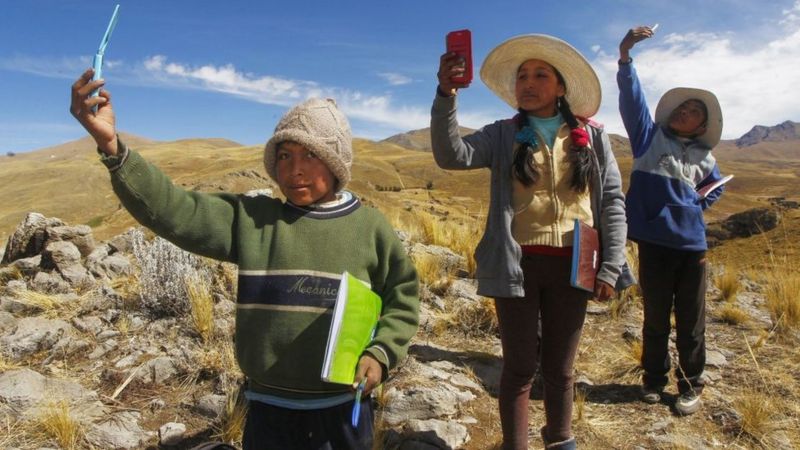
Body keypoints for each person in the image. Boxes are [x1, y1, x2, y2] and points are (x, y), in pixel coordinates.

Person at [70, 68, 420, 449]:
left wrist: (381, 353)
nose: (295, 169)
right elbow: (175, 210)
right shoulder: (253, 220)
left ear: (336, 162)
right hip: (268, 410)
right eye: (284, 155)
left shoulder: (369, 227)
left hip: (342, 410)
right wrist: (112, 148)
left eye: (310, 154)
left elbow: (402, 296)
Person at [433, 34, 631, 450]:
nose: (528, 82)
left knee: (561, 369)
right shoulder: (502, 134)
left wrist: (610, 266)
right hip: (518, 264)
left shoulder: (592, 138)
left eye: (541, 75)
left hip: (576, 264)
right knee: (520, 366)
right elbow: (452, 155)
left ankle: (560, 440)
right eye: (522, 75)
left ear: (561, 87)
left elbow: (612, 201)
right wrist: (446, 95)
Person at [617, 26, 725, 416]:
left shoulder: (706, 158)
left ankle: (691, 385)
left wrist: (694, 206)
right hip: (655, 245)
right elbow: (633, 103)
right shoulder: (648, 138)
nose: (684, 111)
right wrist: (625, 56)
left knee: (692, 321)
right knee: (655, 316)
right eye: (682, 107)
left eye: (693, 111)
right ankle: (653, 379)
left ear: (701, 126)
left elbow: (715, 189)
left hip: (692, 248)